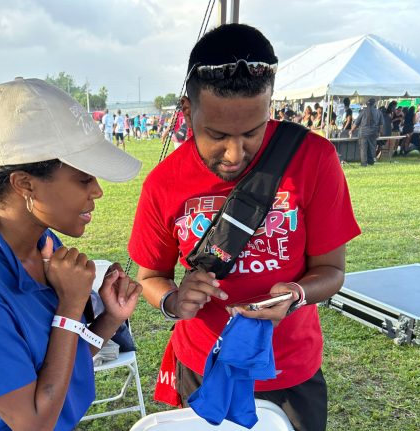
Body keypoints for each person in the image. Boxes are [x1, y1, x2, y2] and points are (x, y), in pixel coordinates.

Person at [128, 24, 360, 431]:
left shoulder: (313, 159)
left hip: (289, 370)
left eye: (252, 132)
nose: (235, 154)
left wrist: (298, 293)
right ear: (187, 110)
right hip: (204, 364)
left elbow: (332, 271)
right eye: (216, 135)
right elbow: (151, 276)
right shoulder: (164, 182)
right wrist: (173, 300)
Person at [0, 78, 142, 431]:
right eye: (84, 178)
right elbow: (33, 424)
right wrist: (71, 305)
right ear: (25, 184)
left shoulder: (43, 244)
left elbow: (61, 357)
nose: (98, 191)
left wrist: (109, 320)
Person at [350, 98, 383, 166]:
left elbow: (356, 123)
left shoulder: (363, 111)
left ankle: (364, 163)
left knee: (363, 149)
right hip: (374, 133)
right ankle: (371, 162)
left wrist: (351, 130)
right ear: (374, 104)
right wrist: (379, 132)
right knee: (372, 148)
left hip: (363, 132)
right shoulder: (378, 112)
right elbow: (381, 124)